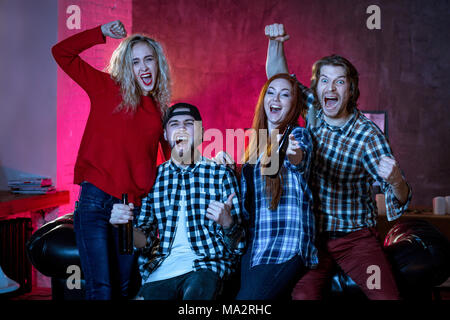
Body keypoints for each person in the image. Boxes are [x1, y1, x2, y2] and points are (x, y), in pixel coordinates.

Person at [265, 23, 412, 300]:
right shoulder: (314, 110)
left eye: (339, 81)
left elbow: (401, 197)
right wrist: (276, 43)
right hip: (313, 237)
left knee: (387, 297)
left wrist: (395, 180)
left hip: (354, 238)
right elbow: (278, 78)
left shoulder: (367, 137)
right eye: (324, 80)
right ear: (317, 85)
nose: (330, 87)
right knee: (302, 297)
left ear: (350, 89)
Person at [52, 20, 172, 299]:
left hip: (130, 212)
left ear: (158, 64)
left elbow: (172, 161)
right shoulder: (106, 87)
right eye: (135, 62)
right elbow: (61, 53)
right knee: (102, 290)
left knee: (125, 288)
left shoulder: (160, 111)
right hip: (95, 204)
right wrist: (100, 33)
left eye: (149, 60)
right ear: (126, 67)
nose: (143, 68)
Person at [110, 103, 246, 300]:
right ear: (165, 134)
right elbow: (146, 242)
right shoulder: (153, 177)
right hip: (161, 271)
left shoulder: (221, 174)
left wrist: (227, 223)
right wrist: (124, 227)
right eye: (174, 124)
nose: (181, 129)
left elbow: (239, 247)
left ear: (201, 132)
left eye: (188, 123)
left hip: (206, 267)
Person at [236, 73, 318, 300]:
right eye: (271, 92)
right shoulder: (255, 146)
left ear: (294, 105)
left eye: (285, 95)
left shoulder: (297, 135)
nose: (276, 99)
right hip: (254, 245)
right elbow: (246, 206)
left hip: (285, 243)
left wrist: (294, 155)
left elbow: (300, 160)